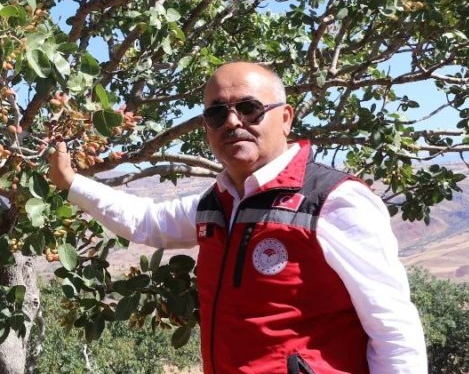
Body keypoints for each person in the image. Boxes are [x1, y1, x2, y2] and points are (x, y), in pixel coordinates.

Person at [47, 62, 426, 374]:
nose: (232, 121)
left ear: (286, 118)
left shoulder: (333, 201)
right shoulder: (219, 203)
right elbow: (145, 221)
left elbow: (392, 328)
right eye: (217, 113)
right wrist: (71, 183)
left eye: (249, 108)